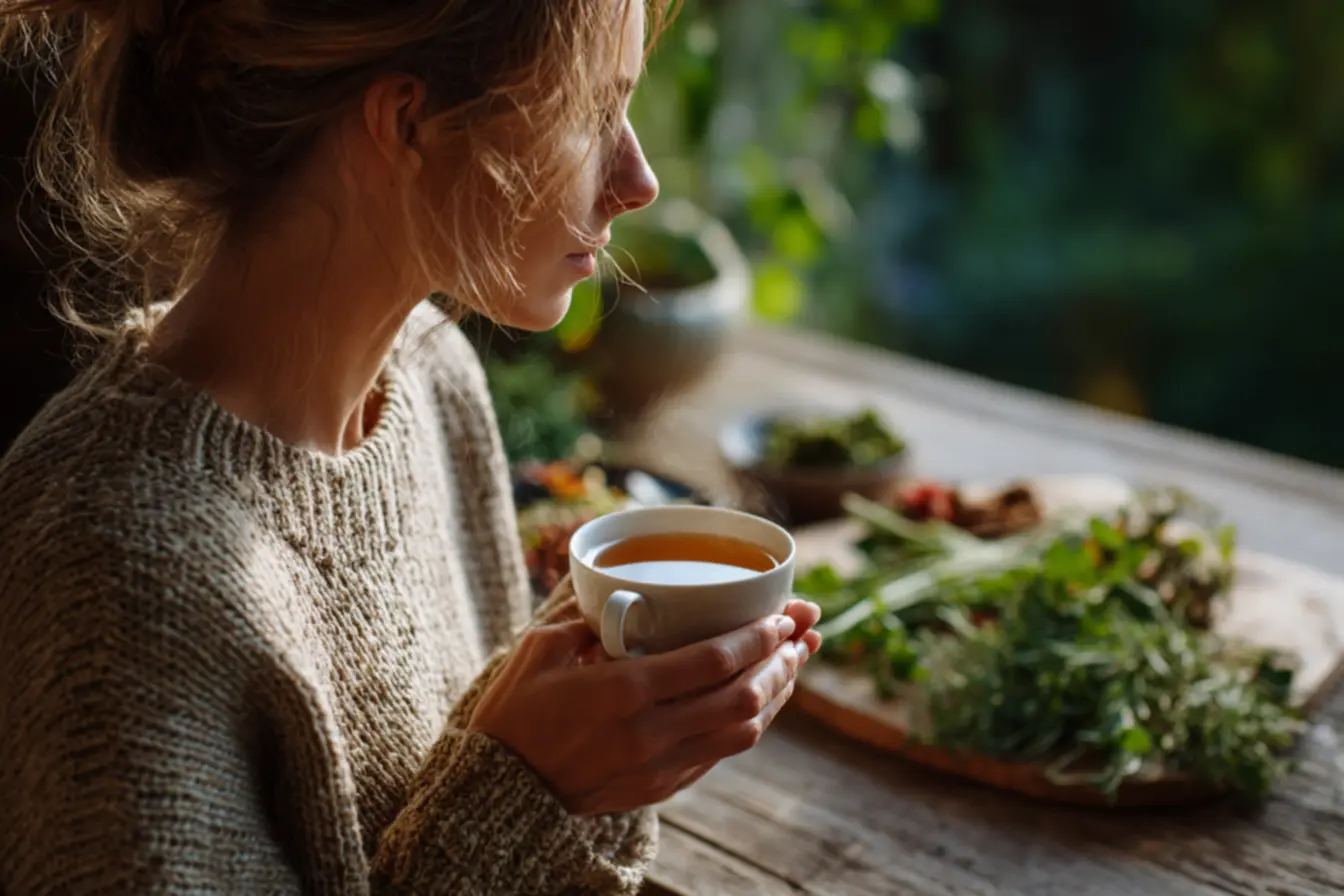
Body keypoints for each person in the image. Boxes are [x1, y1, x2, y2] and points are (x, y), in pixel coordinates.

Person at [0, 1, 823, 893]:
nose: (639, 178)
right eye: (592, 112)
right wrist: (527, 800)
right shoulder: (110, 563)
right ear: (407, 123)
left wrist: (597, 754)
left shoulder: (434, 385)